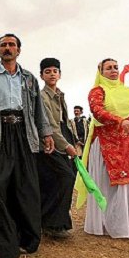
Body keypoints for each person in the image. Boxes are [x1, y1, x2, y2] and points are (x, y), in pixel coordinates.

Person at [0, 34, 54, 258]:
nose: (7, 48)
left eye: (11, 45)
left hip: (24, 134)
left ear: (19, 50)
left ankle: (27, 239)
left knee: (25, 187)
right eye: (3, 45)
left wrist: (45, 133)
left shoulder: (29, 79)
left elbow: (38, 110)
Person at [83, 59, 129, 240]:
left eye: (115, 67)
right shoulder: (97, 91)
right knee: (107, 182)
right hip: (105, 142)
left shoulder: (126, 92)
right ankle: (106, 224)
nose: (113, 70)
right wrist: (119, 120)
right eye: (108, 68)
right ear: (100, 72)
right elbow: (97, 111)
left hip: (126, 141)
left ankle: (127, 222)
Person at [36, 58, 77, 239]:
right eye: (47, 71)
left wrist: (73, 141)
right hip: (49, 143)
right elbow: (50, 125)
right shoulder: (42, 97)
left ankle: (55, 222)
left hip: (63, 139)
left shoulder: (60, 95)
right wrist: (66, 146)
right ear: (42, 75)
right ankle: (52, 223)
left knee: (60, 180)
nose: (52, 74)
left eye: (55, 71)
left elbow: (65, 122)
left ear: (60, 74)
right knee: (64, 178)